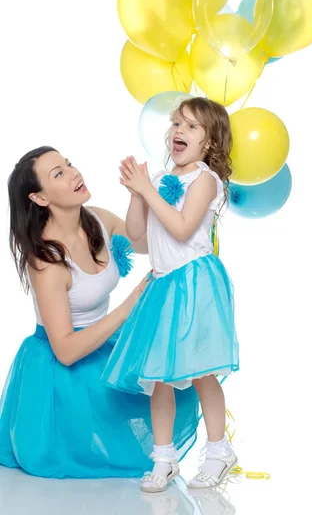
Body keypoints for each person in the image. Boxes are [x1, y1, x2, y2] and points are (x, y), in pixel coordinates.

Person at [0, 146, 199, 479]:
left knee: (174, 383)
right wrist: (127, 307)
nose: (74, 173)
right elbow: (64, 350)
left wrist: (140, 195)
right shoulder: (46, 260)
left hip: (105, 342)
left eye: (69, 164)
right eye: (58, 174)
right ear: (39, 198)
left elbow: (146, 242)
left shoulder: (96, 218)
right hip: (62, 365)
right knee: (117, 430)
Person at [102, 97, 240, 492]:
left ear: (210, 143)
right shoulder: (163, 177)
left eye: (192, 127)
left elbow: (181, 229)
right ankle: (164, 457)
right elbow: (137, 235)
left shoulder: (204, 179)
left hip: (194, 282)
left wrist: (149, 189)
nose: (180, 130)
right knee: (158, 377)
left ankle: (218, 450)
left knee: (200, 371)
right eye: (177, 123)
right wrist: (136, 193)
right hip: (163, 285)